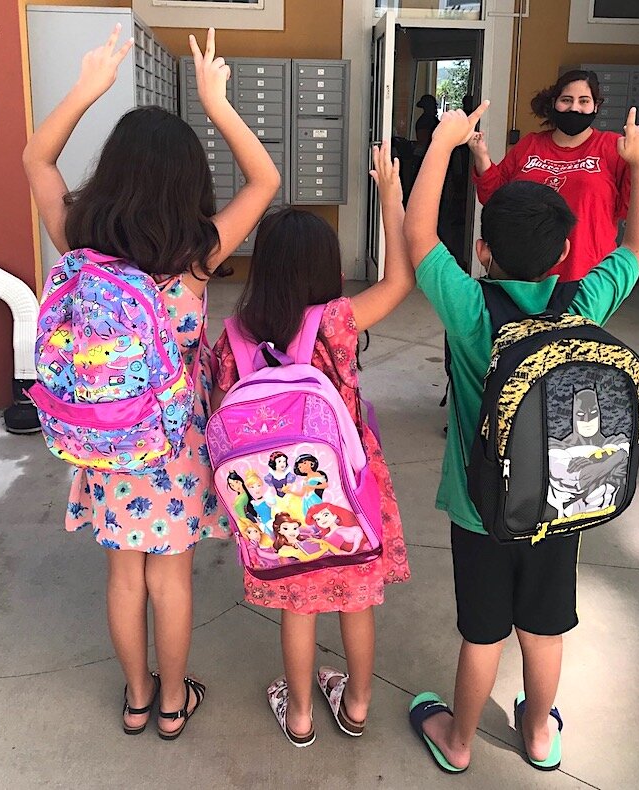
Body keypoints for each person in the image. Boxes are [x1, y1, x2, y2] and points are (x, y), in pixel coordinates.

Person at [22, 26, 280, 739]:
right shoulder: (197, 252)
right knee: (171, 578)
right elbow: (266, 181)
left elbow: (36, 159)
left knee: (123, 577)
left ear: (113, 173)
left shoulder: (79, 239)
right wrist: (216, 102)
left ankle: (135, 697)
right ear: (185, 181)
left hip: (104, 435)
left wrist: (88, 87)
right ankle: (172, 703)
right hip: (173, 442)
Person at [403, 101, 639, 773]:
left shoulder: (468, 307)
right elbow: (638, 245)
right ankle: (539, 735)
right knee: (544, 629)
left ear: (483, 251)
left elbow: (418, 236)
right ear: (568, 250)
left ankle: (457, 742)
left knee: (482, 631)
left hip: (478, 509)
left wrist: (443, 144)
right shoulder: (582, 300)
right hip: (561, 504)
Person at [211, 142, 412, 747]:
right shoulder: (336, 321)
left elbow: (218, 413)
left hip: (276, 503)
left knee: (299, 606)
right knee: (355, 596)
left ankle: (298, 714)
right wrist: (391, 197)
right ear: (325, 267)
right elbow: (401, 278)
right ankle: (356, 704)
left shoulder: (233, 336)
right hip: (346, 486)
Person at [468, 70, 639, 281]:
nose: (574, 108)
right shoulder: (530, 144)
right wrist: (481, 155)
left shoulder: (613, 148)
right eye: (566, 100)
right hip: (523, 275)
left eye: (584, 101)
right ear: (554, 103)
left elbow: (634, 206)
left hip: (586, 278)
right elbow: (495, 198)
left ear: (596, 106)